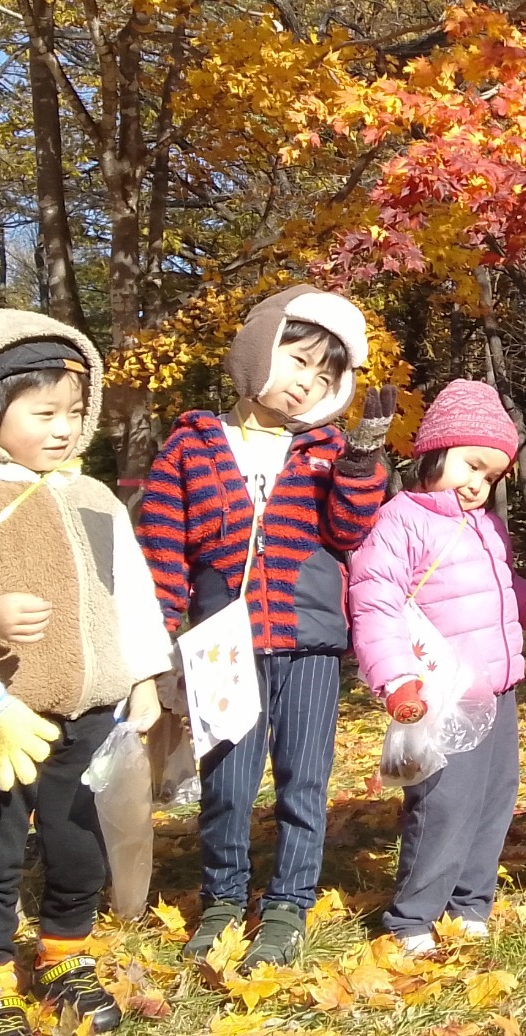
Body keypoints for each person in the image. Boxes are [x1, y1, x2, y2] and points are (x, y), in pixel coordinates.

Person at [0, 311, 174, 1036]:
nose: (63, 430)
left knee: (83, 845)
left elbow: (130, 591)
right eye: (44, 413)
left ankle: (64, 958)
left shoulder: (95, 498)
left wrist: (143, 676)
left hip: (91, 711)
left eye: (75, 414)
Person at [138, 286, 393, 969]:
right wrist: (159, 645)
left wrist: (363, 462)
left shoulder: (325, 450)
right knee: (227, 778)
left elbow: (349, 529)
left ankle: (288, 902)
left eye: (325, 377)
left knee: (303, 778)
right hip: (225, 644)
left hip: (308, 639)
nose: (307, 384)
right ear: (259, 348)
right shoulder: (193, 443)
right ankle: (223, 899)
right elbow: (163, 549)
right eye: (298, 360)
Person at [349, 380, 526, 951]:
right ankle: (413, 917)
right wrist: (397, 678)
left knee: (496, 795)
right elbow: (375, 599)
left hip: (498, 688)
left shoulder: (486, 528)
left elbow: (507, 594)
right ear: (434, 450)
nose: (477, 485)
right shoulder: (401, 521)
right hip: (441, 692)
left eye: (491, 476)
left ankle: (471, 901)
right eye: (471, 465)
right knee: (443, 802)